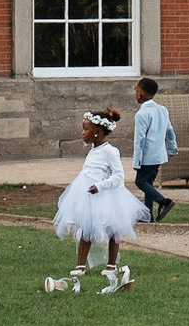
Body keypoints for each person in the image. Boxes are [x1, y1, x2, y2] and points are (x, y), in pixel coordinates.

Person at [46, 109, 145, 296]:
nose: (82, 133)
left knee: (112, 228)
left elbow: (119, 176)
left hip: (105, 195)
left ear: (97, 131)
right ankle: (80, 265)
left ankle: (111, 265)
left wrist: (100, 185)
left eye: (86, 130)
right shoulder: (94, 150)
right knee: (86, 226)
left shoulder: (110, 151)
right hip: (88, 194)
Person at [130, 76, 176, 223]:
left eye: (136, 91)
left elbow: (140, 140)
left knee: (140, 182)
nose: (136, 94)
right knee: (148, 183)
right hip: (159, 155)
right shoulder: (162, 110)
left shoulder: (142, 114)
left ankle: (163, 201)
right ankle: (147, 214)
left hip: (147, 157)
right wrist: (172, 148)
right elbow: (170, 131)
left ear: (139, 94)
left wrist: (136, 161)